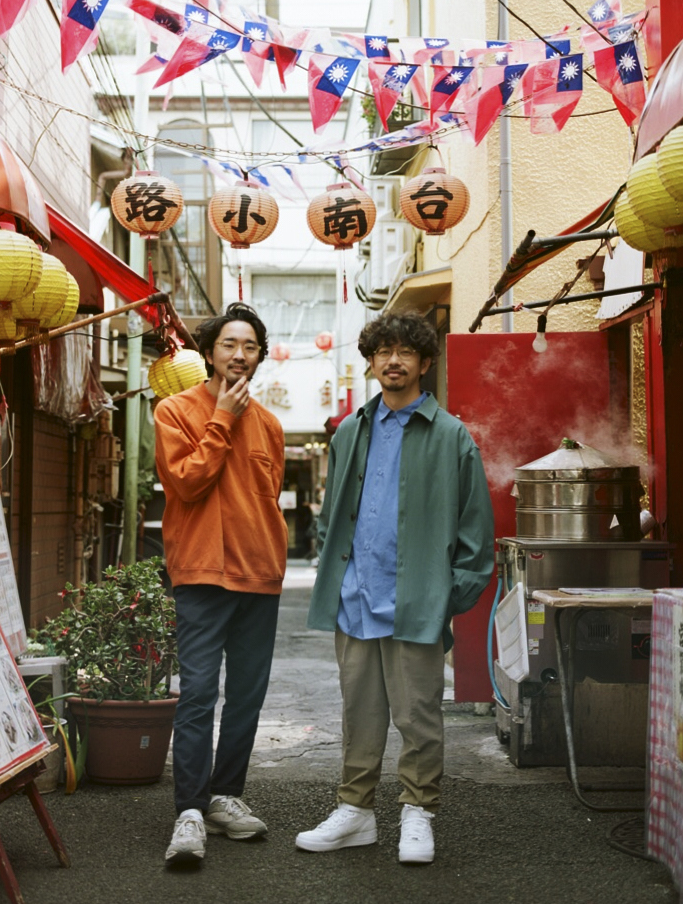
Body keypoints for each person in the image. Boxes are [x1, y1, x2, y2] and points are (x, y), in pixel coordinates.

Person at [297, 311, 493, 865]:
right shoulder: (351, 431)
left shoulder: (452, 436)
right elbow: (336, 512)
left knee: (418, 715)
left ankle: (417, 812)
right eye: (383, 350)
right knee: (359, 712)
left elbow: (476, 539)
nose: (393, 360)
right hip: (356, 598)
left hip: (415, 604)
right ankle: (355, 811)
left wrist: (442, 600)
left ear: (425, 363)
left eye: (406, 351)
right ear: (371, 361)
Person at [154, 302, 287, 867]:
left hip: (260, 574)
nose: (239, 355)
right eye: (229, 344)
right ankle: (189, 809)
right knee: (199, 693)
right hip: (203, 573)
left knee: (247, 698)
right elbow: (186, 484)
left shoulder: (273, 425)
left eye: (250, 347)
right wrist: (223, 421)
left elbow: (268, 499)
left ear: (259, 357)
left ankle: (225, 795)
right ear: (209, 353)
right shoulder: (175, 411)